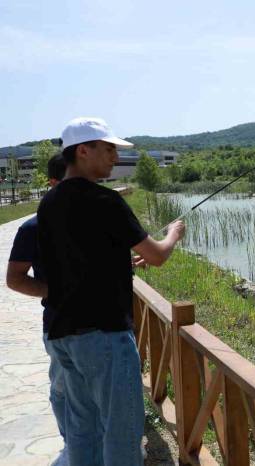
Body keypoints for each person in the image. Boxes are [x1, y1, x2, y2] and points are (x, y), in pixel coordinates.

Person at [38, 117, 186, 466]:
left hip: (63, 335)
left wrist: (120, 261)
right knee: (121, 433)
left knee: (83, 431)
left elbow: (74, 260)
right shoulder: (105, 201)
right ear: (83, 151)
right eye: (108, 150)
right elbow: (158, 255)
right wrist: (174, 234)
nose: (114, 158)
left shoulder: (49, 203)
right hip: (104, 334)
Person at [6, 153, 68, 466]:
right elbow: (14, 279)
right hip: (58, 326)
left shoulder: (98, 222)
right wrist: (57, 293)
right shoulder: (33, 228)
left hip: (108, 327)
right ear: (53, 184)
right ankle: (72, 443)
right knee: (62, 390)